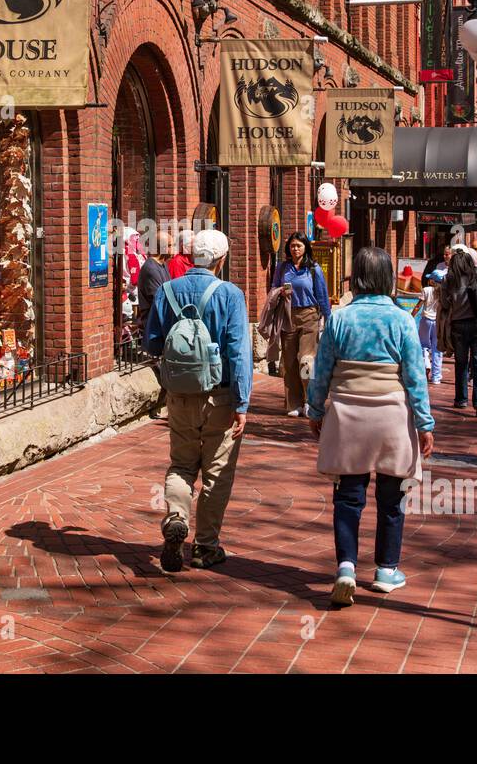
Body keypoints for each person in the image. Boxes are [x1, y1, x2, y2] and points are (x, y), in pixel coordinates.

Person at [307, 247, 435, 604]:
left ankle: (346, 566)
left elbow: (321, 372)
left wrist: (315, 410)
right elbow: (414, 379)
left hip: (348, 414)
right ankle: (386, 569)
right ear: (387, 277)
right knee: (392, 498)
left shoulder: (338, 319)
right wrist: (425, 424)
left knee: (348, 495)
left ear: (357, 277)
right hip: (392, 415)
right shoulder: (402, 321)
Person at [145, 229, 253, 572]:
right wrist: (242, 403)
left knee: (181, 464)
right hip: (219, 395)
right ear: (220, 260)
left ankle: (176, 517)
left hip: (179, 396)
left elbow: (151, 342)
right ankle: (206, 546)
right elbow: (238, 352)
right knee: (216, 472)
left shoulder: (167, 291)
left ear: (190, 257)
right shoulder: (230, 294)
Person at [270, 232, 332, 417]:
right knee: (289, 362)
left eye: (298, 245)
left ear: (305, 247)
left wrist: (328, 319)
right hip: (288, 315)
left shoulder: (313, 269)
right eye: (292, 246)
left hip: (309, 315)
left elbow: (322, 295)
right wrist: (280, 292)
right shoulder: (282, 268)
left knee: (306, 360)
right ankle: (293, 403)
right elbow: (273, 287)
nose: (295, 249)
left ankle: (309, 400)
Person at [438, 249, 477, 417]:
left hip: (458, 325)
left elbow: (444, 303)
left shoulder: (448, 279)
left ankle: (461, 399)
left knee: (461, 362)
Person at [136, 232, 173, 420]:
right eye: (172, 245)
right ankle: (161, 404)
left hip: (164, 322)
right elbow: (161, 297)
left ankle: (167, 402)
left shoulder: (163, 265)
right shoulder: (150, 268)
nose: (174, 249)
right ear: (164, 248)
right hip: (154, 324)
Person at [410, 268, 444, 384]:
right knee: (437, 349)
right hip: (438, 322)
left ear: (432, 281)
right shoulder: (443, 292)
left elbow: (418, 306)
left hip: (426, 320)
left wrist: (411, 316)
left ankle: (426, 364)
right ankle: (436, 377)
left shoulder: (426, 290)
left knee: (423, 345)